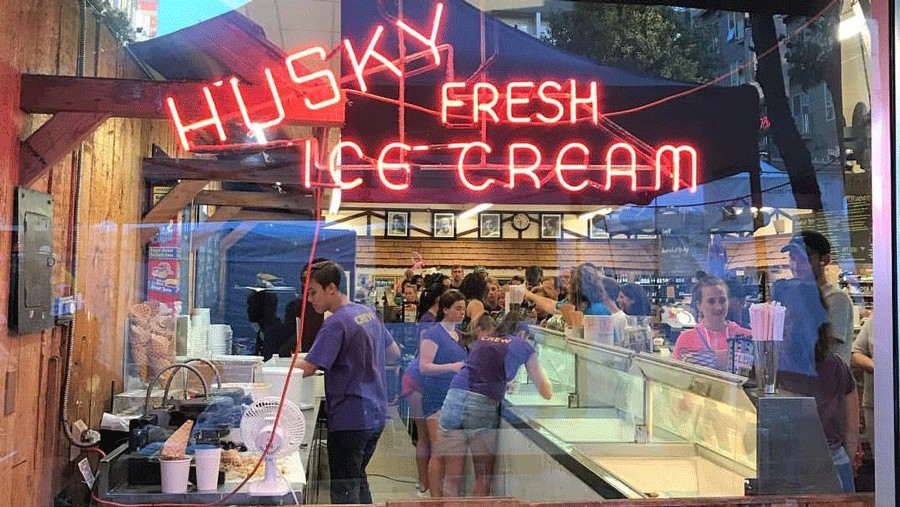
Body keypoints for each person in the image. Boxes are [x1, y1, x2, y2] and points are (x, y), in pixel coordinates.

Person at [296, 260, 401, 504]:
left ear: (331, 288)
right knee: (356, 478)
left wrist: (272, 368)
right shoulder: (366, 313)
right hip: (375, 414)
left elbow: (309, 367)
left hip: (350, 417)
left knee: (345, 490)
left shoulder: (335, 323)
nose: (309, 300)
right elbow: (394, 351)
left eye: (313, 292)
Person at [440, 313, 553, 497]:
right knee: (483, 476)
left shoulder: (484, 340)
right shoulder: (523, 345)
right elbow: (545, 391)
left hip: (454, 397)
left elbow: (482, 370)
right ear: (523, 333)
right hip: (481, 404)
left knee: (452, 478)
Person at [781, 322, 859, 493]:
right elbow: (852, 430)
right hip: (835, 462)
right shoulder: (838, 366)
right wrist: (848, 461)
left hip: (791, 468)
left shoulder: (778, 368)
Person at [419, 290, 468, 498]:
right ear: (445, 309)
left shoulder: (460, 336)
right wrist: (451, 367)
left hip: (456, 399)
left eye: (464, 309)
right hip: (436, 398)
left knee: (452, 452)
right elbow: (424, 367)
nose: (462, 312)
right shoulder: (433, 334)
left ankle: (448, 497)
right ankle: (435, 498)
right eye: (457, 308)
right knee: (438, 451)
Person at [780, 230, 853, 364]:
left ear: (825, 260)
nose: (796, 265)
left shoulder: (836, 298)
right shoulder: (794, 298)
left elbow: (823, 348)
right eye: (793, 258)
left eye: (805, 258)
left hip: (827, 381)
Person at [672, 273, 751, 371]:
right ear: (699, 305)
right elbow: (676, 378)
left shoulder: (746, 337)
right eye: (711, 301)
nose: (718, 307)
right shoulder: (686, 339)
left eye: (722, 300)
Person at [851, 315, 875, 458]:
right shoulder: (874, 321)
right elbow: (857, 352)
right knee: (880, 455)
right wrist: (876, 366)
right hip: (875, 402)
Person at [247, 289, 284, 360]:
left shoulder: (275, 333)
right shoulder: (262, 331)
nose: (248, 310)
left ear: (266, 308)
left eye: (252, 305)